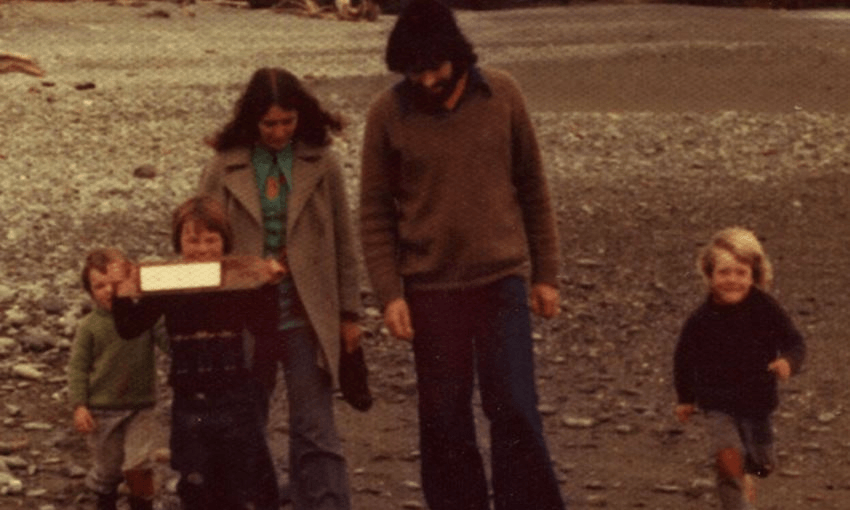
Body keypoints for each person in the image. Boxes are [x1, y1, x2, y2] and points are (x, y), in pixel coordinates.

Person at [358, 1, 565, 508]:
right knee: (444, 418)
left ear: (458, 55)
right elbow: (374, 213)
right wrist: (389, 295)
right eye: (414, 71)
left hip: (501, 282)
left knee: (515, 406)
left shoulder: (503, 93)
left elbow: (533, 187)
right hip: (430, 292)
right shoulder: (387, 113)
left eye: (434, 67)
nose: (426, 79)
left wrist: (547, 275)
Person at [199, 67, 365, 510]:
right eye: (269, 123)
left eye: (287, 122)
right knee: (245, 425)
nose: (279, 132)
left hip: (306, 315)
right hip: (244, 318)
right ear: (251, 120)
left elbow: (344, 242)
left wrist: (350, 314)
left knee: (315, 427)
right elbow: (196, 244)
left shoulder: (322, 163)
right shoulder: (223, 166)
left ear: (301, 115)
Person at [111, 196, 280, 510]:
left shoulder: (238, 279)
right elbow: (130, 328)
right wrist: (122, 295)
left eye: (210, 240)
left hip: (237, 400)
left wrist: (268, 287)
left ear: (224, 241)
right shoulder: (170, 280)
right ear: (179, 242)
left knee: (244, 486)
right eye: (193, 240)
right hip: (191, 403)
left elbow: (266, 329)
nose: (202, 249)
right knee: (196, 485)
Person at [674, 227, 806, 510]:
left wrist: (788, 362)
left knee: (764, 464)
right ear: (710, 276)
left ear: (752, 275)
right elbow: (684, 359)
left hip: (758, 399)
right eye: (724, 272)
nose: (732, 279)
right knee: (727, 457)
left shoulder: (766, 308)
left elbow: (794, 341)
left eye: (740, 272)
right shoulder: (701, 319)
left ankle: (750, 473)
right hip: (717, 401)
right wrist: (685, 399)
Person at [67, 248, 167, 510]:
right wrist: (79, 405)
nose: (108, 291)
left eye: (115, 284)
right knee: (108, 469)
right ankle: (105, 500)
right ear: (89, 292)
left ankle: (142, 503)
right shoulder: (89, 326)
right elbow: (78, 368)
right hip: (103, 409)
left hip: (140, 405)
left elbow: (170, 343)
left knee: (139, 464)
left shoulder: (145, 318)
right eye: (99, 286)